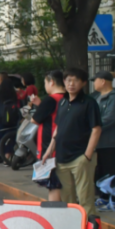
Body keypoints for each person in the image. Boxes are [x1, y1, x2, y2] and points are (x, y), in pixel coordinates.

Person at [45, 68, 103, 219]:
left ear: (83, 83)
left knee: (85, 199)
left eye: (76, 80)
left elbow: (96, 129)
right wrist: (49, 149)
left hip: (80, 157)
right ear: (64, 82)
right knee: (67, 199)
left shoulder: (89, 103)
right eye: (68, 80)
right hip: (62, 158)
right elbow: (58, 127)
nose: (71, 84)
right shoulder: (63, 102)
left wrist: (87, 156)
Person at [93, 71, 115, 212]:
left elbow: (110, 119)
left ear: (103, 81)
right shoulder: (98, 97)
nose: (93, 83)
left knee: (110, 170)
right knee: (101, 170)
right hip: (98, 140)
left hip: (109, 140)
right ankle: (104, 196)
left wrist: (94, 127)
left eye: (95, 80)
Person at [31, 70, 67, 201]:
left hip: (49, 146)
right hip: (67, 146)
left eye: (46, 82)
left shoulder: (50, 99)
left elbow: (34, 119)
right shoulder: (69, 98)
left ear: (51, 82)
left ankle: (55, 212)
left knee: (53, 184)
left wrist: (39, 106)